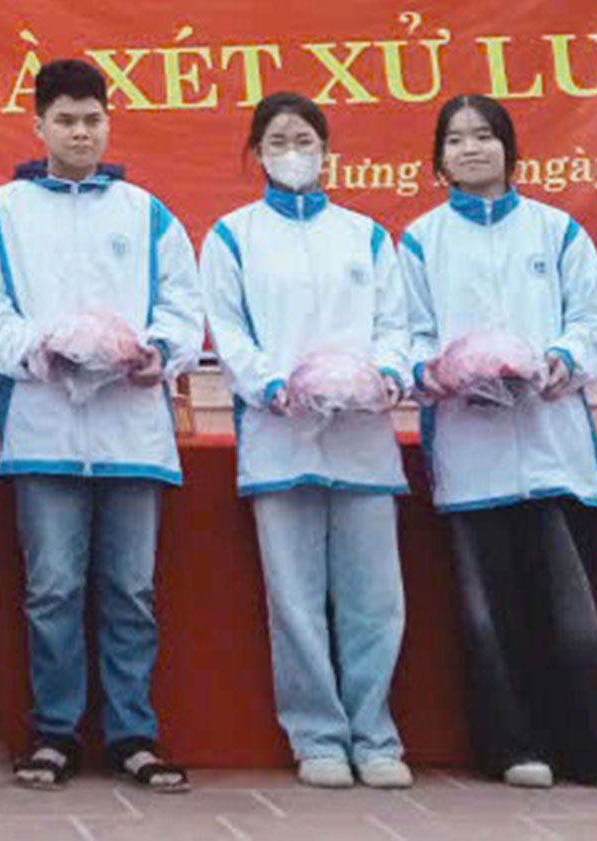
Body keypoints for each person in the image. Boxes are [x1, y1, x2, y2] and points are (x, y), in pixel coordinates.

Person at [0, 58, 200, 794]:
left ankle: (133, 733)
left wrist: (154, 351)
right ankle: (55, 733)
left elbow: (183, 310)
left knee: (131, 590)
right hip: (44, 433)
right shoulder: (1, 212)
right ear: (38, 125)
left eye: (91, 119)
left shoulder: (147, 212)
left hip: (132, 433)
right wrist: (41, 349)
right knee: (53, 589)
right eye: (65, 120)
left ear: (108, 122)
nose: (79, 132)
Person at [399, 94, 597, 791]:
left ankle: (596, 751)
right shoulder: (421, 240)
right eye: (456, 139)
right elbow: (408, 333)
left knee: (572, 603)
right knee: (488, 608)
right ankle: (512, 747)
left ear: (510, 148)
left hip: (553, 442)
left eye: (484, 136)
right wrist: (437, 371)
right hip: (469, 449)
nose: (471, 149)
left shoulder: (556, 231)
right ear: (438, 159)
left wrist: (564, 357)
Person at [201, 92, 413, 790]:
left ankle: (375, 734)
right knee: (294, 600)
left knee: (375, 599)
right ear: (256, 153)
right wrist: (270, 384)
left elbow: (396, 325)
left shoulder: (365, 235)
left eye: (305, 140)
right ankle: (317, 735)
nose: (293, 152)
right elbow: (228, 331)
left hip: (362, 439)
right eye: (278, 141)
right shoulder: (232, 236)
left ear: (326, 150)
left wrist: (385, 375)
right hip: (279, 437)